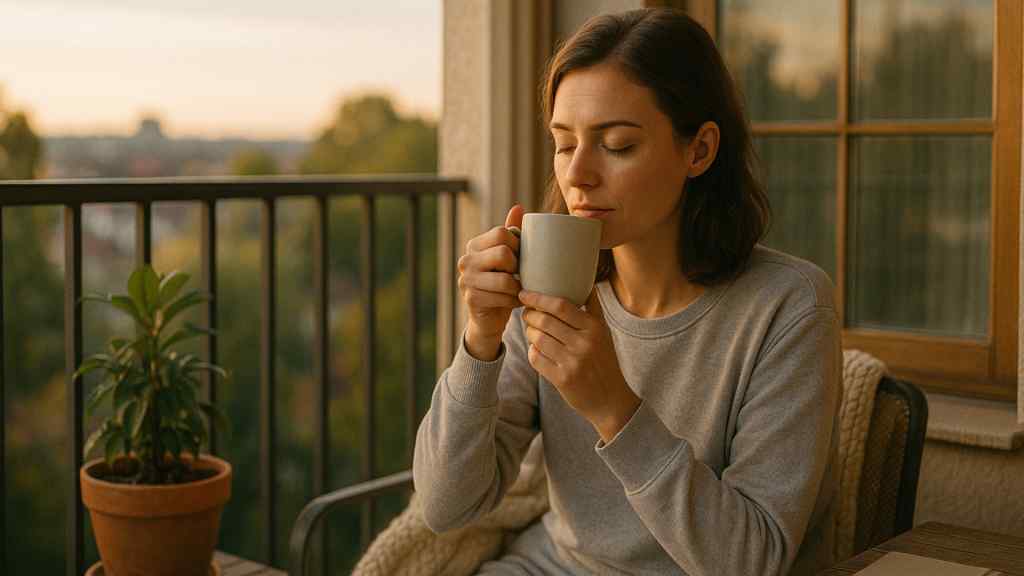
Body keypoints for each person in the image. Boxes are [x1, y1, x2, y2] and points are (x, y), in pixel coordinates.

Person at [413, 7, 840, 576]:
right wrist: (479, 343)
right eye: (565, 144)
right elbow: (446, 507)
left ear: (700, 150)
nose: (578, 175)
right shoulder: (549, 288)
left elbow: (752, 561)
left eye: (616, 145)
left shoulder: (787, 308)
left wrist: (614, 407)